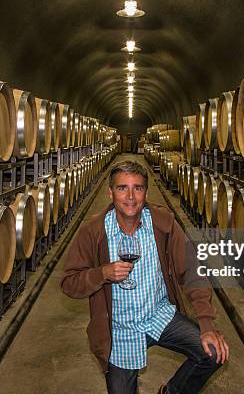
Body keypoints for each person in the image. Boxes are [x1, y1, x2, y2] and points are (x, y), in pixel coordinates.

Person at [61, 160, 229, 394]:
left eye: (137, 188)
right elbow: (69, 283)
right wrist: (102, 273)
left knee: (213, 352)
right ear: (110, 192)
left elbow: (192, 270)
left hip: (158, 315)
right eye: (122, 188)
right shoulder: (93, 232)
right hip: (119, 328)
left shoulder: (163, 223)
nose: (130, 196)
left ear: (145, 192)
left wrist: (207, 323)